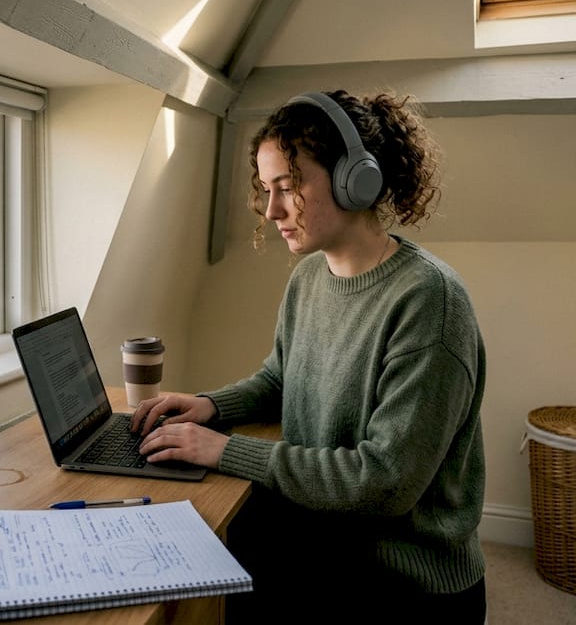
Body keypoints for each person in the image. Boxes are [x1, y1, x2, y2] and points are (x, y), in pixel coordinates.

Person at [131, 89, 486, 622]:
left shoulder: (429, 301)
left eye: (288, 187)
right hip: (324, 538)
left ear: (355, 179)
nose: (271, 210)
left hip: (401, 582)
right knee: (183, 555)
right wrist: (209, 406)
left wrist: (221, 450)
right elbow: (281, 378)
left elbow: (384, 481)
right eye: (266, 189)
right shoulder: (310, 278)